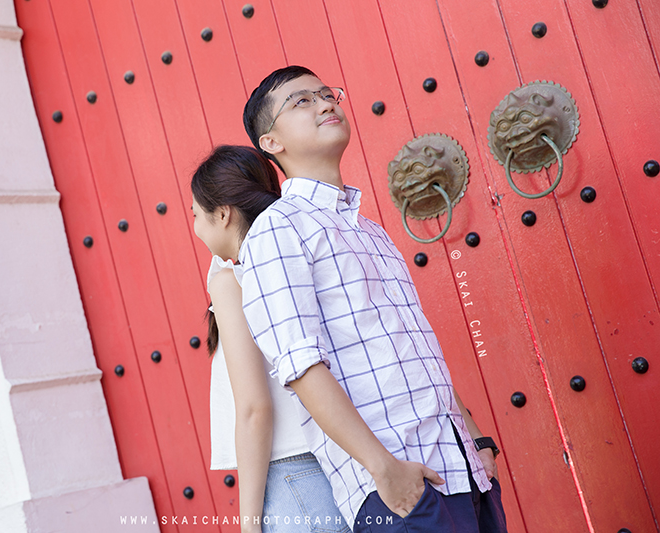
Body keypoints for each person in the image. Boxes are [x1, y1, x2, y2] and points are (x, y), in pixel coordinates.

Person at [239, 65, 508, 532]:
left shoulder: (370, 230)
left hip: (461, 470)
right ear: (271, 142)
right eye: (302, 101)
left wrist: (476, 439)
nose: (326, 103)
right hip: (399, 489)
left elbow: (413, 347)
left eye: (327, 94)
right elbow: (301, 367)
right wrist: (383, 470)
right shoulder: (277, 230)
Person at [191, 145, 351, 533]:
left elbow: (254, 409)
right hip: (338, 464)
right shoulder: (299, 256)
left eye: (196, 214)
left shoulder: (230, 281)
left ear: (223, 214)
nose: (195, 226)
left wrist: (248, 525)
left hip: (292, 474)